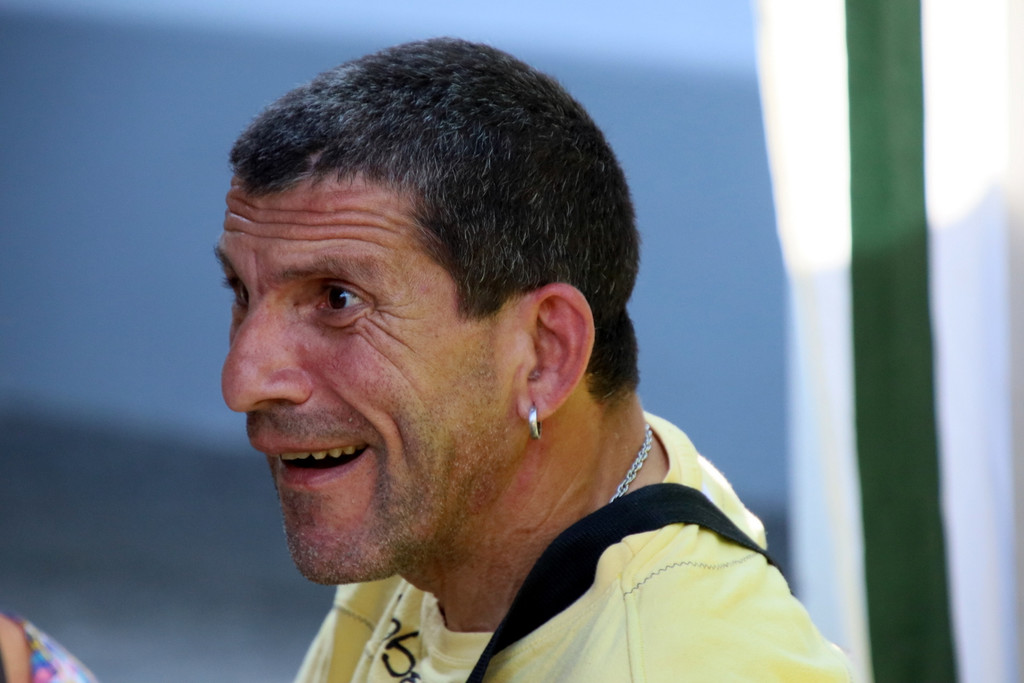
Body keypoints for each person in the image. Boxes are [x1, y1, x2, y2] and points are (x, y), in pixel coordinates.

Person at [217, 38, 851, 682]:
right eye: (242, 292)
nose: (242, 381)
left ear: (545, 355)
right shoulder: (435, 511)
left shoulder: (678, 664)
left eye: (338, 299)